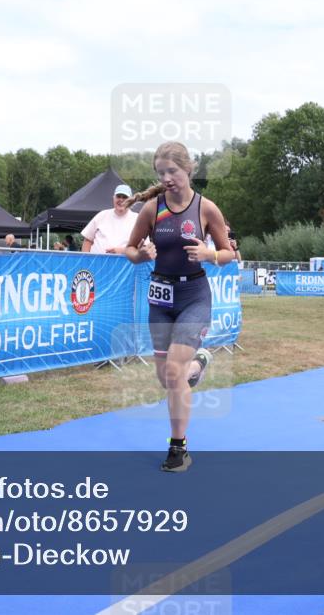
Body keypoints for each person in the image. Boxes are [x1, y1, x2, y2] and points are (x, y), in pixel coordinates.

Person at [124, 141, 235, 473]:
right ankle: (197, 365)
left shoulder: (206, 208)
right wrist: (140, 255)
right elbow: (129, 249)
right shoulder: (151, 210)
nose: (167, 177)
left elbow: (229, 253)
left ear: (189, 169)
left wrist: (210, 254)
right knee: (168, 378)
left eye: (172, 171)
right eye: (161, 173)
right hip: (160, 299)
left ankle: (178, 448)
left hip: (194, 297)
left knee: (173, 372)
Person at [81, 183, 139, 254]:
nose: (121, 200)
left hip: (125, 263)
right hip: (97, 263)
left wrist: (122, 251)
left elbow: (143, 247)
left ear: (131, 200)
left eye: (125, 197)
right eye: (118, 196)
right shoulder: (102, 215)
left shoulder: (137, 219)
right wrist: (86, 261)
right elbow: (87, 240)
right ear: (113, 198)